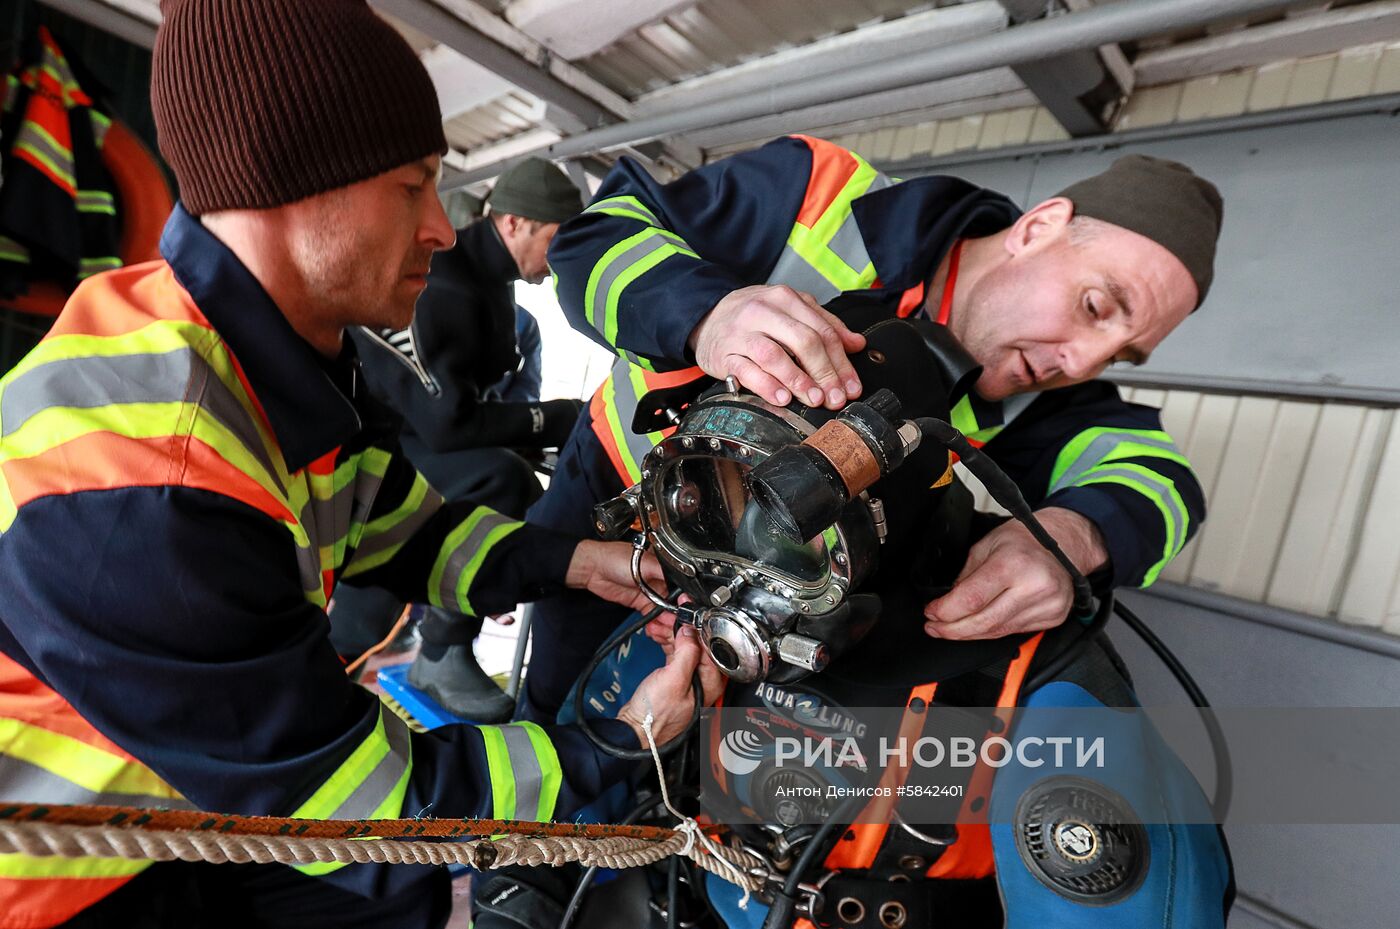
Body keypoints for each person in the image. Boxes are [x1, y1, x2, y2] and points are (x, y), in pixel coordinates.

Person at [0, 3, 714, 928]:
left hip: (177, 781)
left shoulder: (279, 356)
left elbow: (408, 526)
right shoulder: (151, 482)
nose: (442, 231)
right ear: (288, 184)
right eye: (412, 187)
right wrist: (626, 744)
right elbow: (378, 810)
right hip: (73, 873)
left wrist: (584, 562)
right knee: (381, 881)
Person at [496, 136, 1230, 926]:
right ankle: (527, 874)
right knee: (561, 732)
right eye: (1094, 306)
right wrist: (704, 310)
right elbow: (594, 238)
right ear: (1038, 226)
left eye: (1123, 351)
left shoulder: (1048, 400)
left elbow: (1162, 481)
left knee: (678, 764)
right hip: (620, 513)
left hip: (777, 590)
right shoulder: (819, 196)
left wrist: (1073, 532)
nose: (1080, 360)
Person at [339, 158, 586, 721]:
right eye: (555, 240)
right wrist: (556, 419)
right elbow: (447, 425)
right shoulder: (444, 282)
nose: (560, 262)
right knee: (499, 478)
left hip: (407, 440)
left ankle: (457, 619)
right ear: (514, 224)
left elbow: (477, 403)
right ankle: (442, 649)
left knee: (524, 483)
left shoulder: (491, 283)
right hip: (366, 449)